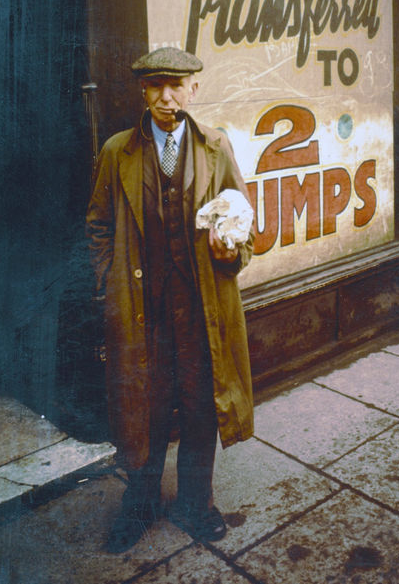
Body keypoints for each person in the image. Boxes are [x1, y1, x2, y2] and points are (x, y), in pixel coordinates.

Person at [86, 47, 254, 552]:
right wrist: (108, 284)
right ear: (143, 91)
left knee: (202, 406)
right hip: (143, 309)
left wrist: (231, 249)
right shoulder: (118, 151)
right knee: (146, 407)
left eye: (176, 86)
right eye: (156, 86)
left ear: (193, 90)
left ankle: (196, 504)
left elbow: (243, 219)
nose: (166, 97)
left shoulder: (215, 146)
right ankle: (139, 505)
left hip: (202, 308)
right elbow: (98, 225)